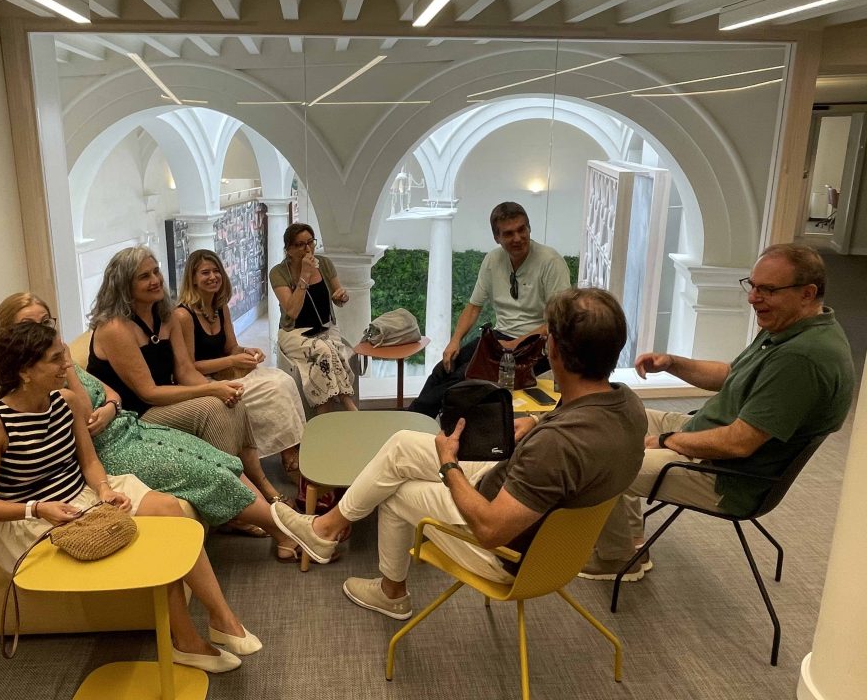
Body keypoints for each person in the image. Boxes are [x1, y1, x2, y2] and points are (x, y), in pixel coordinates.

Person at [271, 288, 646, 619]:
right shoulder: (627, 406)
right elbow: (569, 437)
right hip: (537, 520)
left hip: (507, 551)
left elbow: (490, 530)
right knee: (401, 445)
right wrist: (537, 421)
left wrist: (449, 465)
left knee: (395, 491)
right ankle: (325, 529)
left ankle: (391, 593)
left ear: (556, 352)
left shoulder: (556, 447)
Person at [0, 321, 260, 671]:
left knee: (169, 510)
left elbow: (90, 461)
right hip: (31, 517)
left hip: (82, 494)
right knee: (154, 543)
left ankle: (221, 617)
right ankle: (186, 641)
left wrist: (105, 489)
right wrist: (38, 508)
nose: (67, 365)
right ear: (24, 371)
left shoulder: (65, 402)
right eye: (55, 359)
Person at [580, 244, 855, 581]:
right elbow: (731, 374)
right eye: (752, 285)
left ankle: (617, 559)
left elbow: (739, 443)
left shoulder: (801, 359)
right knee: (614, 414)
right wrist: (672, 363)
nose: (753, 298)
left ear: (807, 293)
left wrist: (666, 441)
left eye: (768, 290)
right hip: (706, 434)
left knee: (601, 464)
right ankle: (631, 541)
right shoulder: (793, 328)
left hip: (724, 476)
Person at [0, 293, 301, 562]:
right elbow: (85, 417)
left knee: (219, 459)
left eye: (46, 322)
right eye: (30, 326)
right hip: (109, 452)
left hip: (128, 427)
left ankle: (286, 524)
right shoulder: (44, 380)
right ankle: (287, 533)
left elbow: (111, 394)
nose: (43, 331)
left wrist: (110, 407)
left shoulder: (61, 364)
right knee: (210, 473)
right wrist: (65, 365)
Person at [86, 246, 282, 507]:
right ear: (124, 285)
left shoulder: (165, 316)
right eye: (144, 276)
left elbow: (185, 371)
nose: (155, 280)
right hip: (134, 414)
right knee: (213, 407)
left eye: (156, 272)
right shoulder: (115, 327)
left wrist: (222, 389)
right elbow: (148, 393)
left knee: (230, 401)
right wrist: (211, 390)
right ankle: (236, 502)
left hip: (163, 401)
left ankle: (260, 486)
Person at [409, 202, 571, 419]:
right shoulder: (493, 260)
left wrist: (516, 343)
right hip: (500, 339)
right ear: (497, 237)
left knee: (462, 378)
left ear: (529, 228)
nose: (517, 238)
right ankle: (416, 419)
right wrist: (455, 341)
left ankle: (418, 420)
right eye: (509, 233)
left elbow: (558, 322)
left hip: (536, 347)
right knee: (443, 369)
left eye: (522, 229)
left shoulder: (551, 262)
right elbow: (473, 306)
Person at [175, 249, 306, 477]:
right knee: (273, 390)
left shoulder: (220, 308)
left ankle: (294, 447)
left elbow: (231, 348)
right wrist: (232, 359)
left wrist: (246, 352)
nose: (213, 277)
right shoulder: (183, 316)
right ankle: (290, 459)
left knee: (284, 379)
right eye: (205, 273)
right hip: (203, 382)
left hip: (226, 372)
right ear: (192, 279)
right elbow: (188, 367)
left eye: (216, 271)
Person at [269, 223, 358, 414]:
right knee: (324, 350)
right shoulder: (278, 273)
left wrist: (342, 296)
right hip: (294, 332)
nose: (308, 249)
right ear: (289, 250)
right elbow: (292, 311)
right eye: (300, 245)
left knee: (328, 352)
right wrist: (305, 275)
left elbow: (339, 297)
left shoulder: (324, 264)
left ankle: (323, 415)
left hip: (326, 327)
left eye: (310, 242)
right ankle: (346, 401)